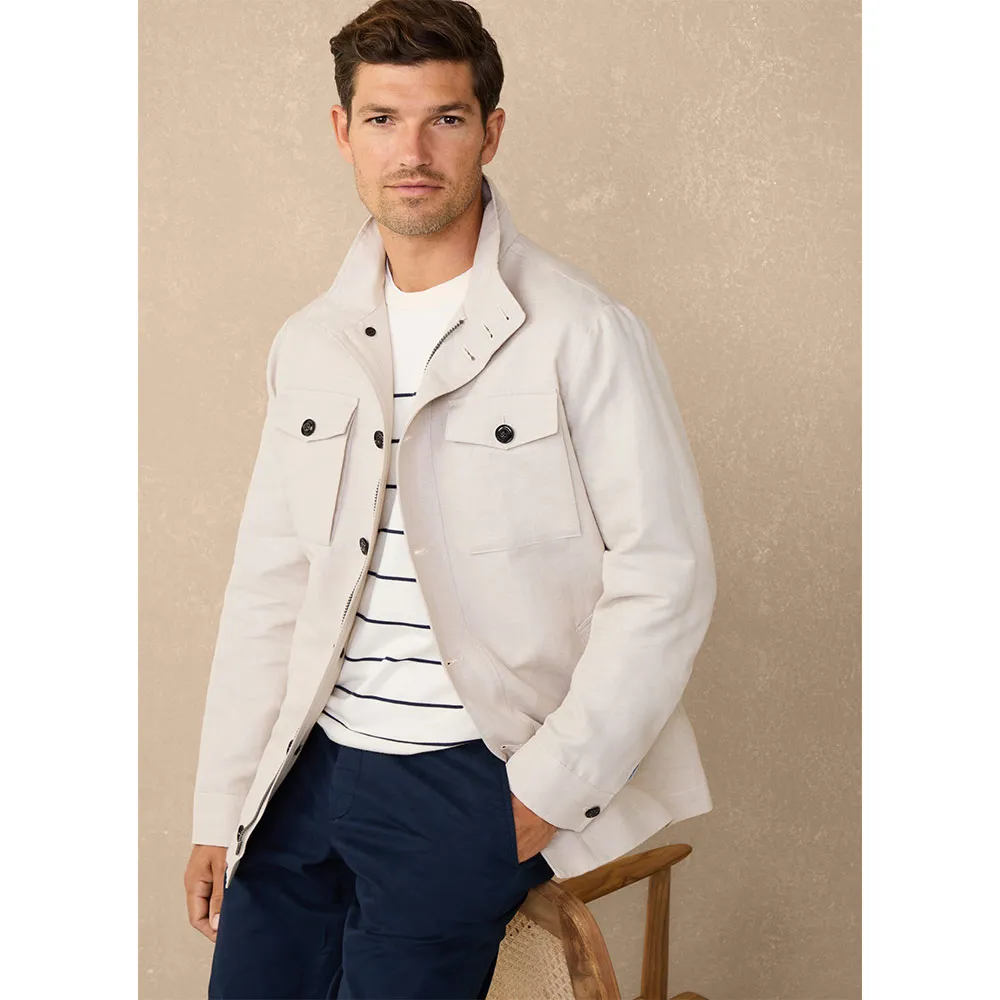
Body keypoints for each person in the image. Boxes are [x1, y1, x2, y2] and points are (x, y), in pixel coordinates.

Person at [183, 1, 718, 997]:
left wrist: (543, 793)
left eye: (447, 118)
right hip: (306, 771)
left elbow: (665, 579)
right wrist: (223, 805)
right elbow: (270, 585)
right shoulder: (309, 343)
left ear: (491, 132)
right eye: (383, 118)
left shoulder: (581, 332)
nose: (413, 151)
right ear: (342, 131)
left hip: (466, 775)